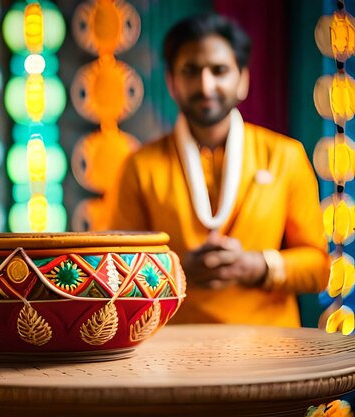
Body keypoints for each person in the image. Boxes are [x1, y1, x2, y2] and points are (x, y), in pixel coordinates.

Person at [107, 13, 330, 327]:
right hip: (172, 353)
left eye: (219, 70)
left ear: (243, 79)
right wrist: (179, 270)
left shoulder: (284, 155)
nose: (205, 84)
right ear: (171, 82)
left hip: (273, 352)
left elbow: (319, 268)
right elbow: (115, 269)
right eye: (191, 71)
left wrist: (257, 265)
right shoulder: (140, 166)